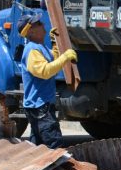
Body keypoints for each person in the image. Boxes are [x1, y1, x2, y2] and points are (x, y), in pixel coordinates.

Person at [18, 13, 77, 149]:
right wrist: (65, 57)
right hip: (39, 107)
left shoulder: (40, 47)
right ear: (31, 31)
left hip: (40, 106)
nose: (43, 24)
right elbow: (45, 72)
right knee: (54, 144)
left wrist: (55, 43)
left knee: (38, 146)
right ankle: (58, 169)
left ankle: (37, 169)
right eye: (39, 24)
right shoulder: (32, 50)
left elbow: (53, 59)